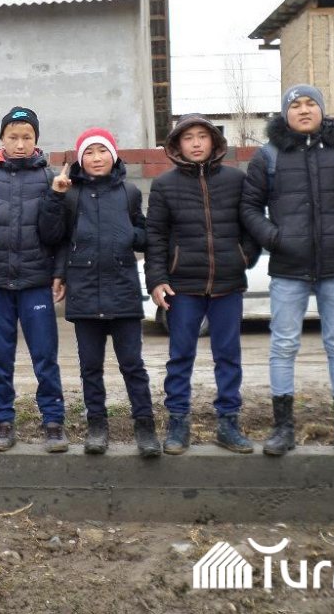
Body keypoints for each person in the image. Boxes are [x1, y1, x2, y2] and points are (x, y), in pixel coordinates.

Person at [241, 84, 334, 457]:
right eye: (296, 105)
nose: (304, 110)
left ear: (321, 110)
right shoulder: (268, 156)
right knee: (283, 344)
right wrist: (275, 238)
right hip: (288, 266)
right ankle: (283, 429)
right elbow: (249, 208)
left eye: (311, 104)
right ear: (285, 113)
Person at [38, 127, 161, 457]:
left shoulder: (129, 192)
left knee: (133, 365)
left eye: (102, 151)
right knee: (90, 367)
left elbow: (143, 235)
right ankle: (97, 427)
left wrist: (130, 235)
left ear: (113, 155)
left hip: (123, 291)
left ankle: (145, 428)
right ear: (80, 159)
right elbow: (54, 236)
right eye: (89, 152)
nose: (96, 158)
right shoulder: (70, 193)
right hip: (85, 291)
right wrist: (55, 196)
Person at [146, 116, 260, 455]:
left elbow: (251, 225)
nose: (196, 143)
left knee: (228, 357)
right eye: (188, 138)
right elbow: (155, 236)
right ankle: (178, 423)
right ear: (177, 145)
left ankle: (229, 423)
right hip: (183, 287)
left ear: (214, 141)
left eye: (202, 136)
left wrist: (243, 257)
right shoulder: (164, 185)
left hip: (228, 285)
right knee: (180, 357)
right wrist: (157, 279)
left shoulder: (236, 180)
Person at [0, 106, 66, 452]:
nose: (20, 144)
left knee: (45, 357)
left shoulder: (51, 179)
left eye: (27, 137)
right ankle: (3, 423)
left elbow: (60, 235)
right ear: (2, 139)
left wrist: (59, 273)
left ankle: (54, 423)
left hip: (36, 284)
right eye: (13, 137)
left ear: (36, 140)